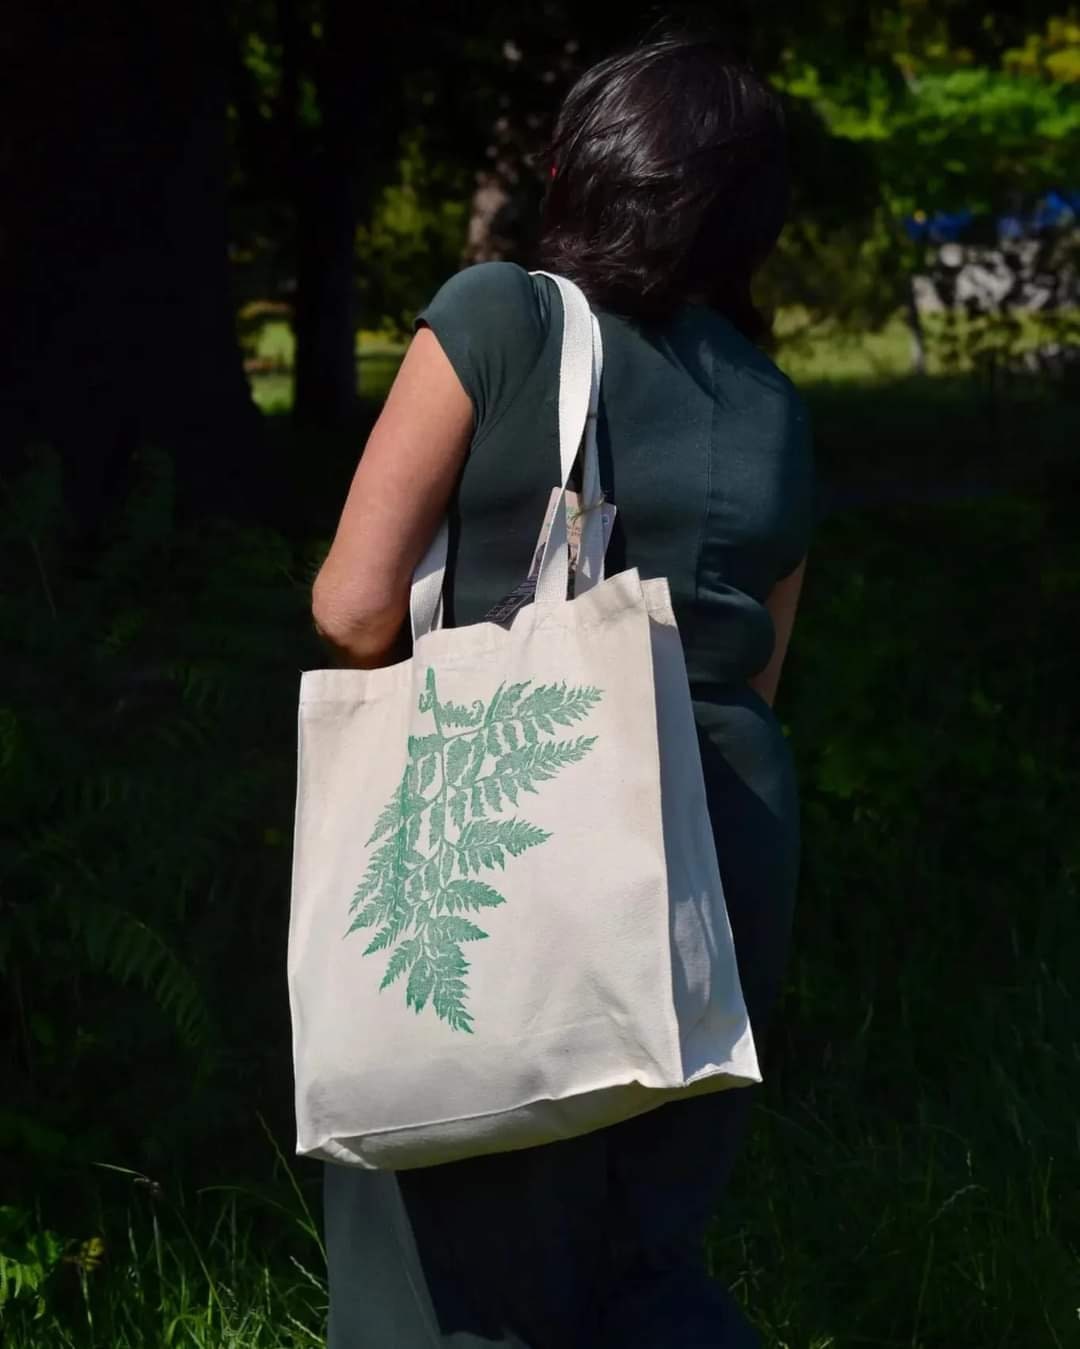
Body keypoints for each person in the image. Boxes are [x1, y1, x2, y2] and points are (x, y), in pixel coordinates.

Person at [311, 32, 814, 1349]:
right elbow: (758, 664)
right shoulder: (773, 403)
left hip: (512, 846)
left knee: (453, 1267)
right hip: (727, 849)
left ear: (580, 169)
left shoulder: (499, 317)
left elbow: (354, 605)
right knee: (638, 1259)